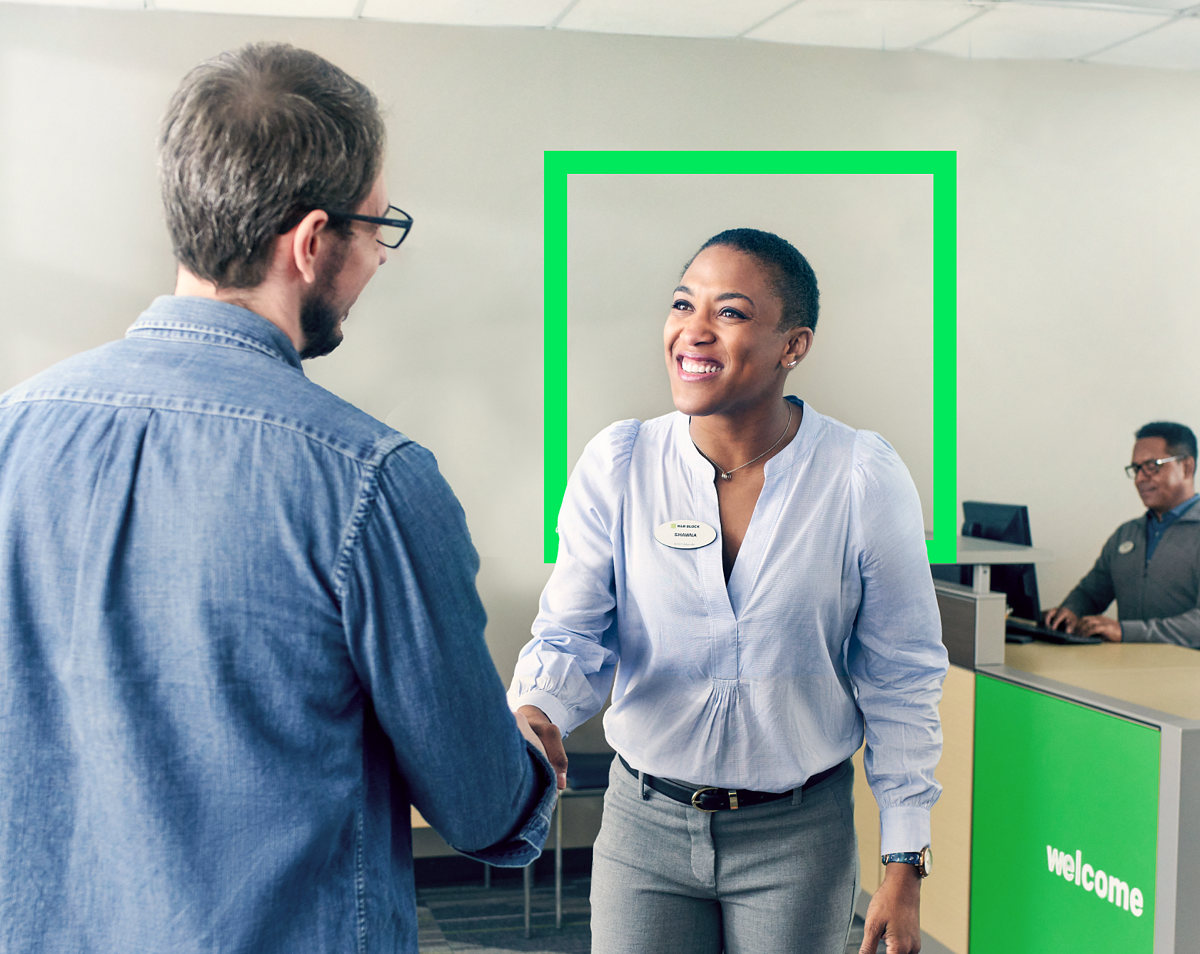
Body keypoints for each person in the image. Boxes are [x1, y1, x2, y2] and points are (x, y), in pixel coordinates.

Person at [0, 44, 555, 954]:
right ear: (309, 243)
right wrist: (529, 754)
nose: (378, 258)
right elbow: (480, 806)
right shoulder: (370, 480)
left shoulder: (11, 436)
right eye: (378, 228)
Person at [509, 229, 948, 954]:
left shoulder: (859, 476)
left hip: (797, 835)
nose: (694, 330)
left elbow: (900, 675)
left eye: (732, 312)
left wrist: (906, 860)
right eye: (684, 303)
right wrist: (537, 705)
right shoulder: (620, 462)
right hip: (643, 826)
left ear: (793, 345)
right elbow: (572, 634)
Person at [1044, 421, 1200, 648]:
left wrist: (1126, 632)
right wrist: (1071, 611)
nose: (1139, 479)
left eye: (1151, 466)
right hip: (1127, 671)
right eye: (1136, 469)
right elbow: (1091, 593)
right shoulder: (1127, 534)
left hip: (1186, 677)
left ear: (1186, 467)